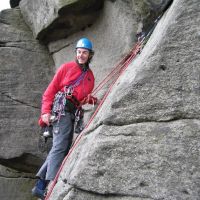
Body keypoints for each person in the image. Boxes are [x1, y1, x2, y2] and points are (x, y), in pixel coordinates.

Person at [32, 38, 98, 199]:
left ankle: (40, 185)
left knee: (63, 148)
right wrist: (45, 112)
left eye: (85, 52)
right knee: (60, 146)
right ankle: (50, 183)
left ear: (90, 55)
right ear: (76, 53)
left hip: (72, 113)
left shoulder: (90, 77)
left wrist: (92, 100)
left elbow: (81, 98)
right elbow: (50, 91)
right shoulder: (66, 68)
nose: (81, 55)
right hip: (60, 109)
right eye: (79, 52)